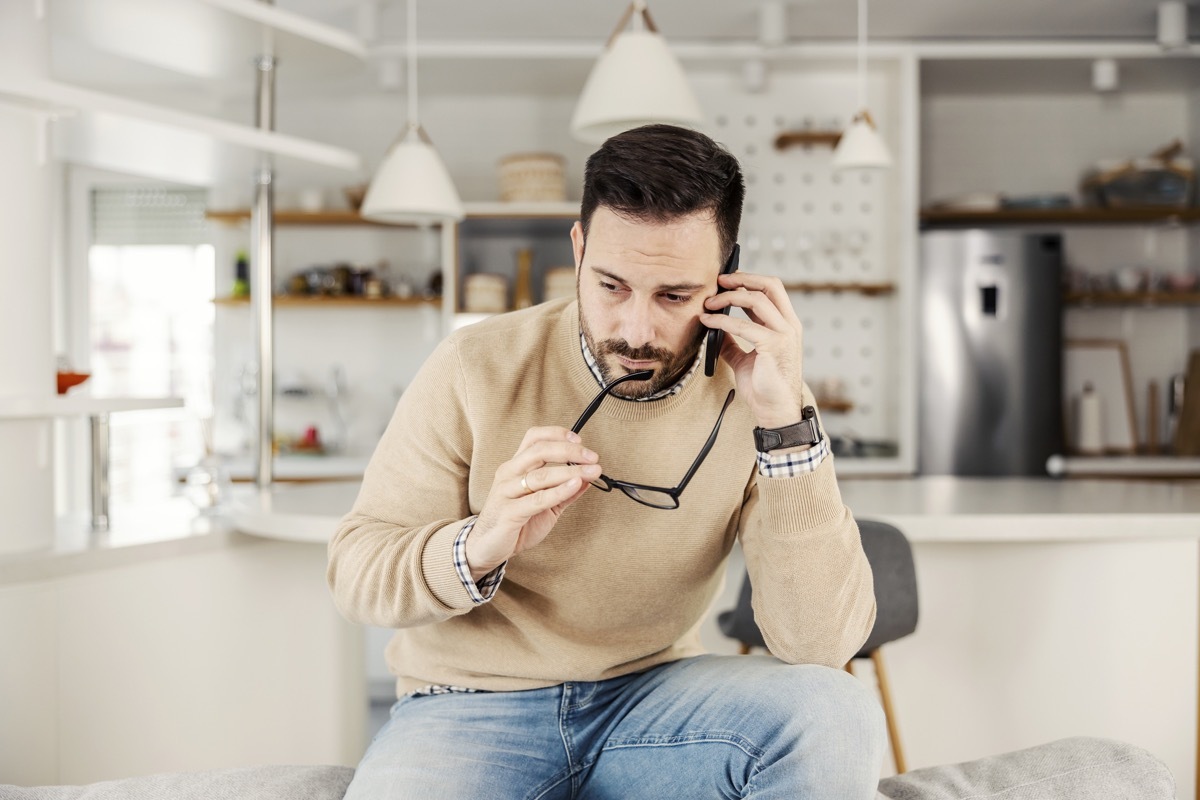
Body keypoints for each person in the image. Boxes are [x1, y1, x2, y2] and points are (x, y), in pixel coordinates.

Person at [328, 123, 885, 799]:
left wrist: (784, 423)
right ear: (579, 247)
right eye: (612, 285)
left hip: (654, 701)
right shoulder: (474, 365)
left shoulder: (759, 391)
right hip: (467, 705)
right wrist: (483, 541)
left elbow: (819, 646)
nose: (636, 331)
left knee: (836, 712)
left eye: (674, 296)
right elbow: (355, 575)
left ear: (726, 276)